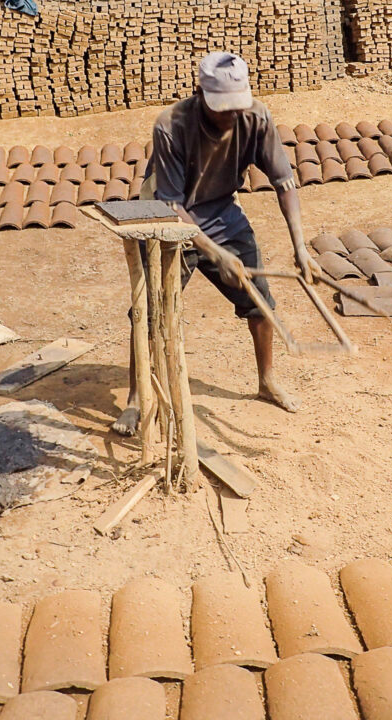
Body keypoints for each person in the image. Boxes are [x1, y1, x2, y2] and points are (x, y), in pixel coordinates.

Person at [112, 51, 319, 436]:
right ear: (199, 94)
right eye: (222, 109)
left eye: (236, 108)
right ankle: (136, 398)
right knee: (150, 312)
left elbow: (284, 183)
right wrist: (214, 253)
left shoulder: (256, 117)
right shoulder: (171, 126)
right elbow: (172, 204)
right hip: (166, 215)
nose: (230, 116)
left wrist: (301, 247)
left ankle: (266, 380)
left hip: (222, 209)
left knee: (260, 303)